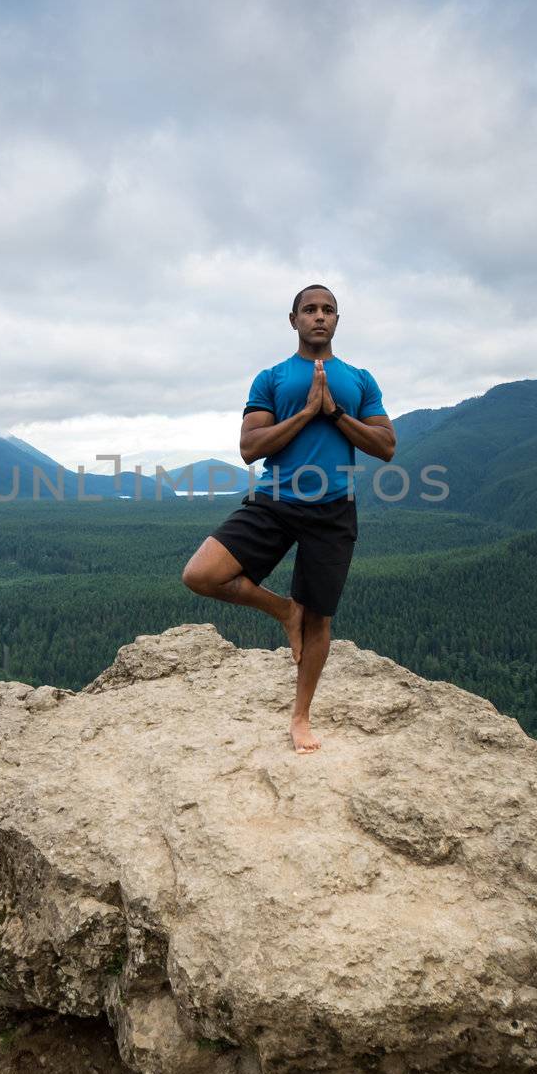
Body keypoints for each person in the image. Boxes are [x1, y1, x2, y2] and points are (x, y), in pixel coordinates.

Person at [182, 284, 395, 754]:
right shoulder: (271, 378)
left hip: (334, 509)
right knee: (201, 574)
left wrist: (335, 412)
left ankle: (300, 718)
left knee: (319, 620)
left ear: (337, 320)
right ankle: (283, 609)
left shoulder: (360, 379)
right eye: (310, 309)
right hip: (275, 502)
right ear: (294, 319)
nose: (319, 316)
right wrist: (305, 413)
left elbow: (385, 446)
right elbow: (249, 449)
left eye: (328, 310)